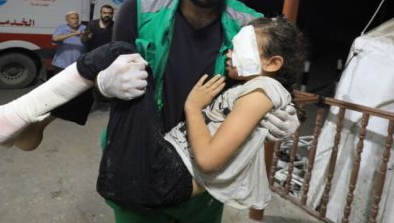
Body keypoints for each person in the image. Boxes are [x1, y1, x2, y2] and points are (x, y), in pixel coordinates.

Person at [0, 0, 301, 221]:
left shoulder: (248, 24)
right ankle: (28, 121)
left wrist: (280, 115)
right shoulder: (140, 8)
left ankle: (23, 120)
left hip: (200, 172)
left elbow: (262, 86)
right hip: (135, 155)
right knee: (112, 58)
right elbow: (110, 83)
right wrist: (104, 84)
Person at [95, 16, 308, 212]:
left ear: (272, 63)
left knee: (122, 52)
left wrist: (193, 108)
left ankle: (73, 83)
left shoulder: (262, 91)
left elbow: (207, 160)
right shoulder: (252, 88)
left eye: (240, 49)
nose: (229, 54)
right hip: (166, 165)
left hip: (169, 175)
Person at [51, 11, 87, 75]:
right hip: (62, 65)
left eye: (76, 18)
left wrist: (86, 36)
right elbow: (55, 38)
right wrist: (73, 34)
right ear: (67, 20)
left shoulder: (84, 28)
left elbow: (88, 40)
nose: (75, 20)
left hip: (78, 65)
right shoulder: (61, 28)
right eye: (72, 18)